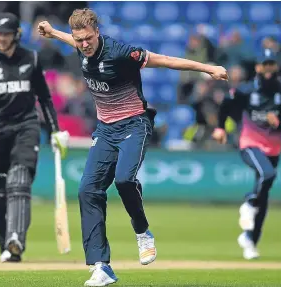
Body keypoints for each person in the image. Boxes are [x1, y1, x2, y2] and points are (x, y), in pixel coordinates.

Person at [38, 8, 228, 286]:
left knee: (124, 179)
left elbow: (164, 60)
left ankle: (142, 231)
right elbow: (73, 41)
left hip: (134, 124)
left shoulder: (120, 52)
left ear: (97, 33)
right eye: (79, 40)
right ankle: (101, 267)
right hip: (105, 130)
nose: (83, 44)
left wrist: (208, 69)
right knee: (87, 190)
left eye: (88, 38)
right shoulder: (81, 47)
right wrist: (54, 33)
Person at [0, 12, 70, 263]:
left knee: (19, 180)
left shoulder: (31, 58)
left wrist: (55, 130)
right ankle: (6, 246)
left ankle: (16, 239)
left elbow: (44, 97)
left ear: (16, 35)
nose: (2, 38)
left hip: (26, 127)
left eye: (6, 34)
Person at [212, 49, 281, 260]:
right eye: (264, 65)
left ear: (276, 67)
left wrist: (280, 123)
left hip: (273, 148)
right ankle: (249, 202)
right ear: (258, 68)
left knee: (265, 197)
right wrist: (220, 127)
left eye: (271, 65)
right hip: (250, 144)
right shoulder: (247, 90)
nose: (268, 70)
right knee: (268, 176)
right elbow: (226, 105)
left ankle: (250, 240)